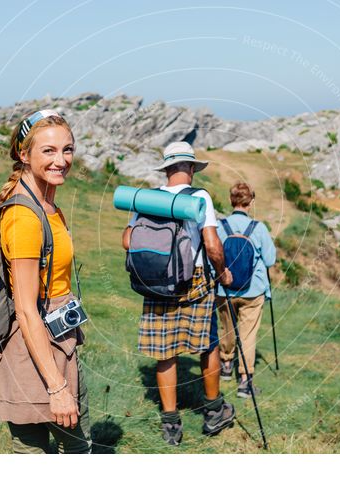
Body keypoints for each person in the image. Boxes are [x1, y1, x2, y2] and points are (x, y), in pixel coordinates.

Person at [0, 110, 91, 454]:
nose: (62, 160)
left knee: (69, 447)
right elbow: (25, 309)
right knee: (40, 452)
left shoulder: (47, 205)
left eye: (67, 149)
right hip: (33, 345)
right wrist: (56, 386)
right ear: (24, 155)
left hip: (55, 338)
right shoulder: (24, 218)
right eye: (49, 151)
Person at [121, 141, 236, 446]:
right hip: (193, 280)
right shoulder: (199, 197)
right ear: (191, 169)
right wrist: (223, 271)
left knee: (164, 351)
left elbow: (127, 240)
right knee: (207, 343)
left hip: (156, 279)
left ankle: (171, 424)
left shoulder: (148, 199)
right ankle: (213, 411)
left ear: (167, 169)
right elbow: (212, 244)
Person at [215, 182, 276, 398]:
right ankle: (244, 381)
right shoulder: (258, 228)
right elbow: (270, 260)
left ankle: (225, 365)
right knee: (248, 335)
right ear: (250, 202)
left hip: (225, 289)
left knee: (227, 329)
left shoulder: (220, 226)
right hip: (253, 290)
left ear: (232, 201)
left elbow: (211, 255)